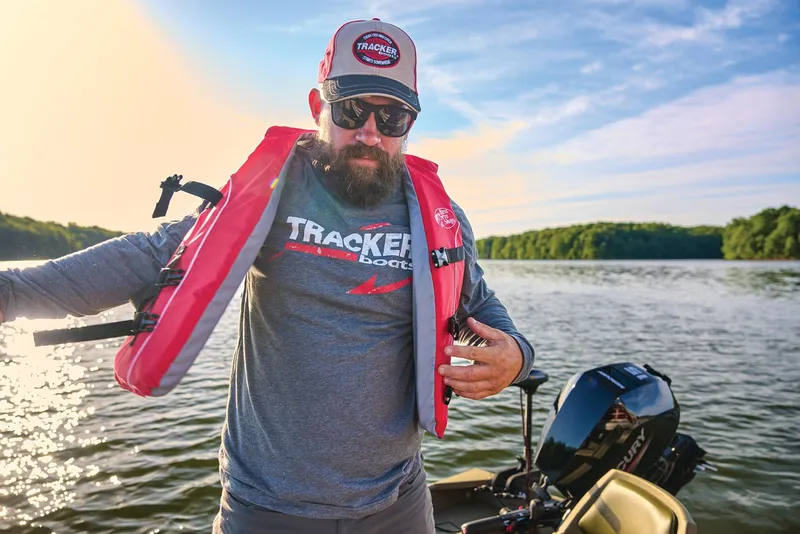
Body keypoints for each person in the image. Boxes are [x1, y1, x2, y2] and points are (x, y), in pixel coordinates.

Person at [0, 19, 534, 533]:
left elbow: (480, 306)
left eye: (391, 118)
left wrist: (515, 356)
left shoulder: (438, 216)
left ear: (410, 125)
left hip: (399, 500)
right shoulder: (269, 193)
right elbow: (146, 254)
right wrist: (13, 292)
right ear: (317, 107)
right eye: (350, 110)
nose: (370, 133)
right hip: (266, 509)